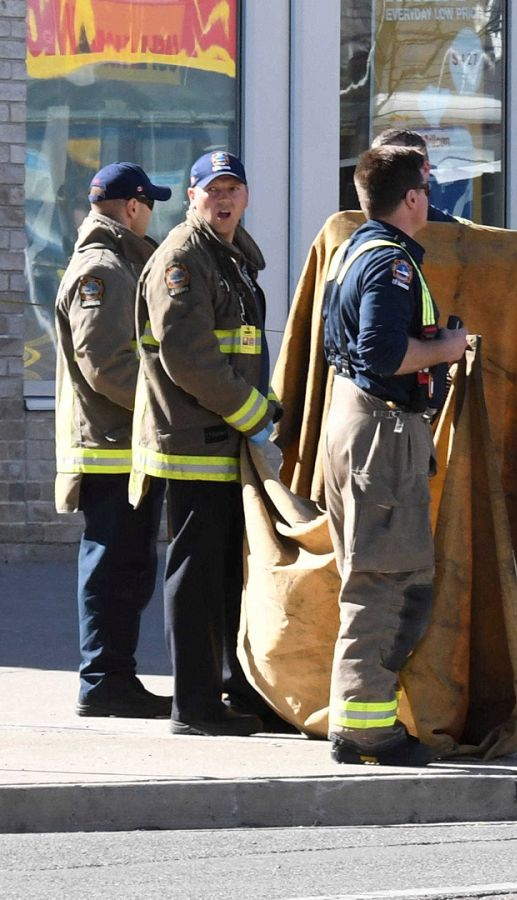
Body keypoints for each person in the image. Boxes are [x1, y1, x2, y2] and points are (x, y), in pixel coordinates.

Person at [320, 145, 468, 766]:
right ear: (410, 198)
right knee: (384, 581)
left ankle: (362, 718)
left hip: (358, 426)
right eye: (426, 189)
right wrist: (448, 349)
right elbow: (383, 352)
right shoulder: (390, 265)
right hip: (381, 433)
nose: (429, 200)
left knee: (384, 576)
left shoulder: (355, 249)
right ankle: (365, 727)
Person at [131, 151, 277, 737]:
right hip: (196, 441)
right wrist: (256, 414)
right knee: (195, 578)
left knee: (226, 577)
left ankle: (234, 690)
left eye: (232, 188)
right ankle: (193, 706)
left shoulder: (231, 255)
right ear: (191, 196)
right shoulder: (183, 260)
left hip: (225, 439)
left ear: (245, 196)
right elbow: (190, 360)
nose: (223, 198)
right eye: (211, 189)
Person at [53, 163, 174, 719]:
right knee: (114, 567)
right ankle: (103, 681)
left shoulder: (121, 262)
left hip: (124, 443)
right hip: (111, 448)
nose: (152, 216)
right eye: (150, 205)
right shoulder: (102, 269)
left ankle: (114, 677)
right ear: (132, 207)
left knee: (128, 567)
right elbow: (104, 364)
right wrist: (166, 404)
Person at [371, 128, 467, 224]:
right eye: (377, 164)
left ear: (425, 169)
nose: (385, 172)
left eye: (396, 164)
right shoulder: (361, 221)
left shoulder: (458, 231)